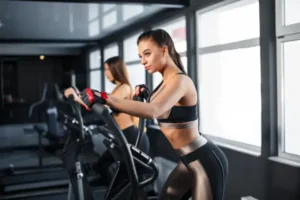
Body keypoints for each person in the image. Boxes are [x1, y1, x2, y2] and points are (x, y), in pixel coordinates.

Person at [64, 29, 228, 200]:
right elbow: (152, 107)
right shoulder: (165, 83)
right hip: (187, 160)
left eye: (147, 54)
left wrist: (105, 98)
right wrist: (141, 96)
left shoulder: (181, 81)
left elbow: (154, 110)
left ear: (164, 50)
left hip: (205, 159)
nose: (143, 61)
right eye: (140, 56)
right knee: (167, 197)